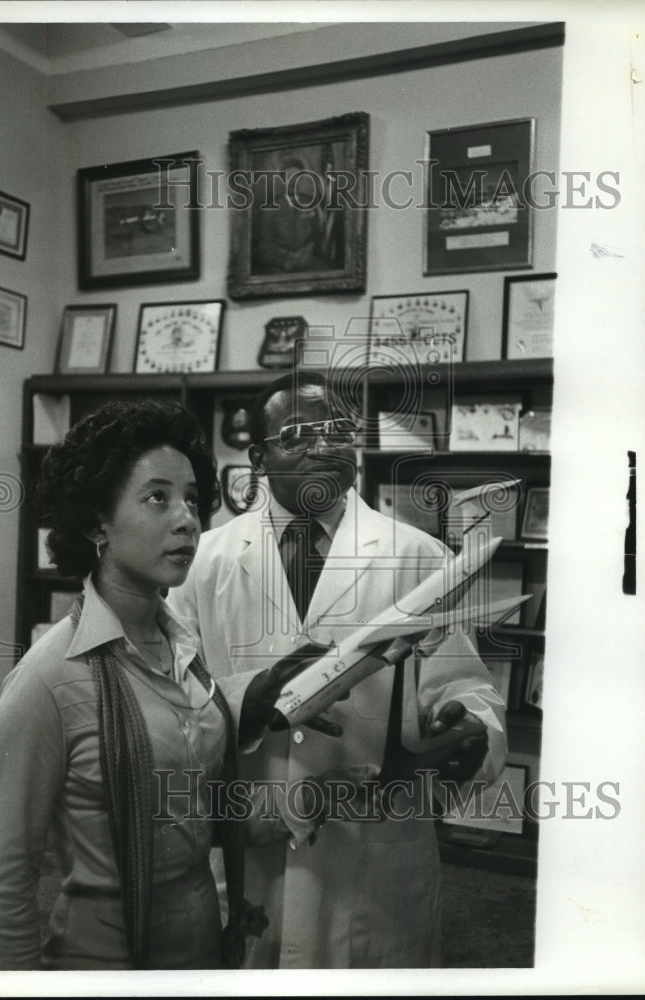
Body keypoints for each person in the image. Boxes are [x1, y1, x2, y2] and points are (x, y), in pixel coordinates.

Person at [168, 369, 508, 968]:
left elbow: (467, 687)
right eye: (299, 432)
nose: (324, 445)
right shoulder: (204, 562)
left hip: (372, 850)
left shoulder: (417, 556)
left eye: (338, 429)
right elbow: (168, 697)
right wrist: (250, 700)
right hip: (253, 840)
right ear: (258, 456)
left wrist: (474, 732)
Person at [0, 399, 286, 971]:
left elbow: (191, 811)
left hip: (202, 947)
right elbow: (5, 888)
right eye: (157, 497)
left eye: (192, 498)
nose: (187, 518)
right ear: (98, 522)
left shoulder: (184, 653)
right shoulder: (47, 680)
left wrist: (308, 805)